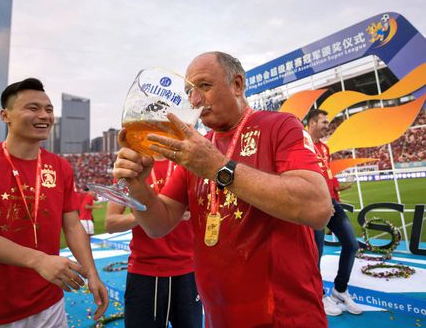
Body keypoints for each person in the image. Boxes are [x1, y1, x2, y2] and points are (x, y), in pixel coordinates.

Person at [112, 51, 332, 327]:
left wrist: (219, 168)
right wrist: (138, 186)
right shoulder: (195, 147)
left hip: (285, 316)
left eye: (204, 86)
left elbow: (318, 209)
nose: (194, 100)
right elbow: (160, 224)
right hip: (218, 316)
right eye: (189, 91)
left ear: (237, 84)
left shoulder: (279, 125)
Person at [0, 78, 109, 327]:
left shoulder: (60, 166)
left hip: (48, 303)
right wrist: (39, 260)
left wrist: (92, 274)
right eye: (33, 108)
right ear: (4, 115)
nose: (44, 115)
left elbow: (73, 226)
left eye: (49, 109)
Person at [105, 158, 202, 328]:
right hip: (145, 271)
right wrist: (151, 212)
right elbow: (111, 223)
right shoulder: (132, 168)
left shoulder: (188, 162)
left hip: (188, 270)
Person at [306, 109, 362, 316]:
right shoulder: (300, 143)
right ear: (312, 123)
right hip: (313, 204)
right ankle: (319, 295)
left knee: (351, 244)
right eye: (324, 121)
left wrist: (337, 188)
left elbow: (326, 174)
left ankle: (339, 290)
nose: (327, 125)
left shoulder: (325, 147)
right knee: (316, 254)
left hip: (332, 203)